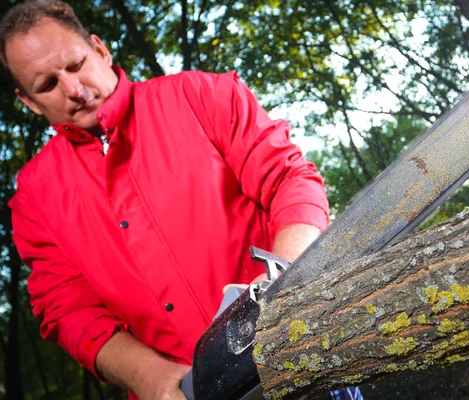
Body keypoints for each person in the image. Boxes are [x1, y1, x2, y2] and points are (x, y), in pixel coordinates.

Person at [1, 1, 331, 398]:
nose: (74, 89)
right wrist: (146, 375)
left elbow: (289, 179)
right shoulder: (34, 197)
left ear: (100, 50)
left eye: (75, 65)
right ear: (29, 102)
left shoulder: (201, 94)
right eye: (48, 85)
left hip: (301, 351)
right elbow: (67, 309)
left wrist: (284, 280)